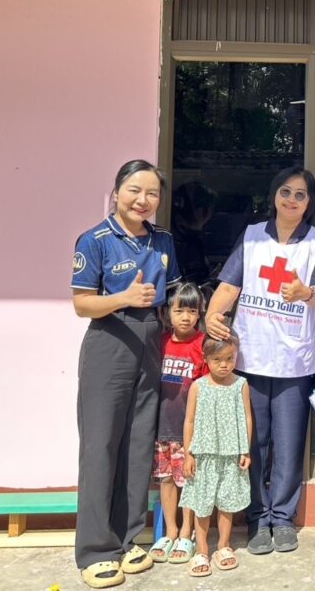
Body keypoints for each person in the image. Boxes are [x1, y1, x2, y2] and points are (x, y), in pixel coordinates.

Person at [205, 167, 315, 555]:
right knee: (255, 442)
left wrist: (305, 291)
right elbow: (230, 285)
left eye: (300, 195)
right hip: (253, 356)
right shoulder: (252, 237)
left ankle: (283, 517)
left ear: (309, 203)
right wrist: (212, 315)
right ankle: (258, 518)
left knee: (290, 442)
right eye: (285, 192)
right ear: (274, 196)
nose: (291, 200)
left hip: (295, 360)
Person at [71, 159, 181, 589]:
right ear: (117, 191)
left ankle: (130, 538)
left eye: (152, 193)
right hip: (109, 341)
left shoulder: (163, 240)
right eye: (135, 190)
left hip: (151, 341)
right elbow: (81, 304)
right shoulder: (95, 239)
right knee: (101, 445)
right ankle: (96, 550)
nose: (143, 200)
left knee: (138, 445)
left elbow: (171, 294)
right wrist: (123, 297)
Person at [179, 333, 253, 577]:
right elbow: (189, 421)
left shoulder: (240, 384)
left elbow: (247, 417)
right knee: (202, 505)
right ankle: (201, 550)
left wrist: (245, 449)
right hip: (203, 455)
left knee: (227, 503)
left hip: (231, 455)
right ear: (206, 358)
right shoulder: (198, 387)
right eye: (218, 359)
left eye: (230, 358)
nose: (224, 364)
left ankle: (223, 546)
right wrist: (188, 454)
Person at [148, 283, 208, 565]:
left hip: (190, 432)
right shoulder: (161, 342)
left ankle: (187, 532)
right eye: (179, 310)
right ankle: (170, 531)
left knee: (190, 482)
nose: (185, 316)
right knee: (167, 480)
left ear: (200, 314)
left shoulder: (203, 345)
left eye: (192, 311)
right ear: (167, 313)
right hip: (163, 428)